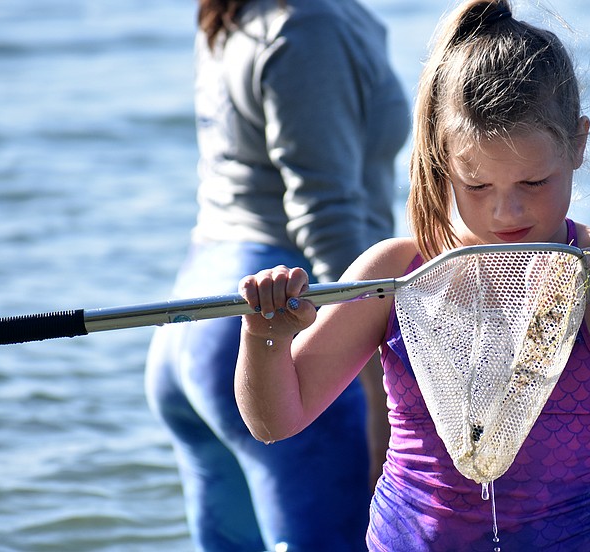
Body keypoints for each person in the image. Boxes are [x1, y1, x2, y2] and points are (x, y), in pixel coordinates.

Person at [233, 1, 590, 550]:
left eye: (533, 183)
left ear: (578, 144)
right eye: (478, 187)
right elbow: (277, 420)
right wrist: (265, 336)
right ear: (442, 160)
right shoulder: (398, 273)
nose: (507, 213)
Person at [144, 0, 410, 550]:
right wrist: (377, 378)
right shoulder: (310, 25)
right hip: (276, 322)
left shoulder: (242, 12)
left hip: (195, 320)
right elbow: (327, 213)